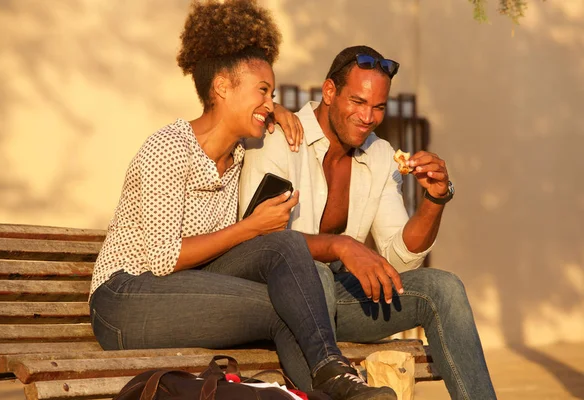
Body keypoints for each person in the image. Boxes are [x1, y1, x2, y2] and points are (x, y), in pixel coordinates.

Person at [89, 2, 397, 399]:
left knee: (285, 246)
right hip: (126, 299)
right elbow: (165, 259)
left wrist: (276, 111)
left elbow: (256, 114)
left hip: (189, 286)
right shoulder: (168, 148)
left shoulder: (237, 155)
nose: (270, 102)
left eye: (273, 93)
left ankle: (334, 381)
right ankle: (338, 380)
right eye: (263, 91)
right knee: (287, 307)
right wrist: (250, 228)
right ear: (221, 87)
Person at [240, 45, 497, 399]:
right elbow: (262, 246)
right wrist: (341, 246)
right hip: (277, 302)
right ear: (329, 91)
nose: (368, 117)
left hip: (337, 300)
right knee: (316, 274)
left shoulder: (379, 155)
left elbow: (398, 259)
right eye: (358, 102)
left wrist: (435, 200)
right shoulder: (277, 140)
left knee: (445, 288)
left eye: (378, 107)